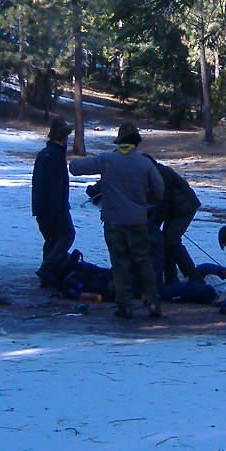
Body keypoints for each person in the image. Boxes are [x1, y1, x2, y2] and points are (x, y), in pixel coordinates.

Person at [69, 122, 164, 319]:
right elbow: (159, 190)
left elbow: (75, 168)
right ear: (136, 142)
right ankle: (153, 302)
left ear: (119, 141)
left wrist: (73, 156)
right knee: (143, 261)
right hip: (137, 220)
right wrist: (147, 202)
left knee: (120, 263)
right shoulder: (144, 163)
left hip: (113, 222)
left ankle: (124, 305)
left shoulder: (107, 160)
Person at [32, 118, 77, 289]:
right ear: (63, 137)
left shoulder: (44, 154)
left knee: (51, 240)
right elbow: (56, 186)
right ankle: (47, 268)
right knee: (67, 235)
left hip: (40, 207)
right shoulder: (56, 156)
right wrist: (60, 207)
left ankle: (48, 278)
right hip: (55, 208)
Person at [145, 155, 201, 285]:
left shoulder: (160, 174)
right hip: (174, 209)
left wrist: (154, 221)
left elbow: (162, 201)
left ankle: (193, 276)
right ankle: (171, 278)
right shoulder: (153, 174)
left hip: (184, 208)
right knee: (166, 242)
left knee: (171, 241)